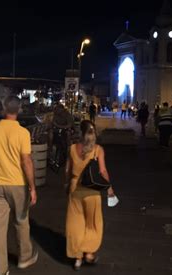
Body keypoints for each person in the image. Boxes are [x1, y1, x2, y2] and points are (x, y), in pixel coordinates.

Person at [0, 96, 38, 275]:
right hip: (17, 184)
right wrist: (32, 187)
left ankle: (2, 270)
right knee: (22, 221)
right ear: (19, 110)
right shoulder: (23, 133)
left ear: (3, 108)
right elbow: (26, 161)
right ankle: (24, 257)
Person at [65, 120, 116, 270]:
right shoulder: (98, 150)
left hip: (75, 189)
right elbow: (102, 171)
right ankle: (89, 252)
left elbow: (68, 170)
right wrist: (109, 188)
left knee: (75, 223)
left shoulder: (73, 148)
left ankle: (78, 257)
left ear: (80, 132)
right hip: (92, 191)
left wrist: (66, 184)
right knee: (93, 223)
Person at [52, 104, 74, 168]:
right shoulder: (56, 115)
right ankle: (50, 150)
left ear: (61, 109)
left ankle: (67, 154)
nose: (56, 111)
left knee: (66, 136)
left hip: (67, 131)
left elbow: (69, 125)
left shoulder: (67, 115)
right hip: (58, 131)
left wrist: (58, 126)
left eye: (57, 109)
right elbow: (53, 123)